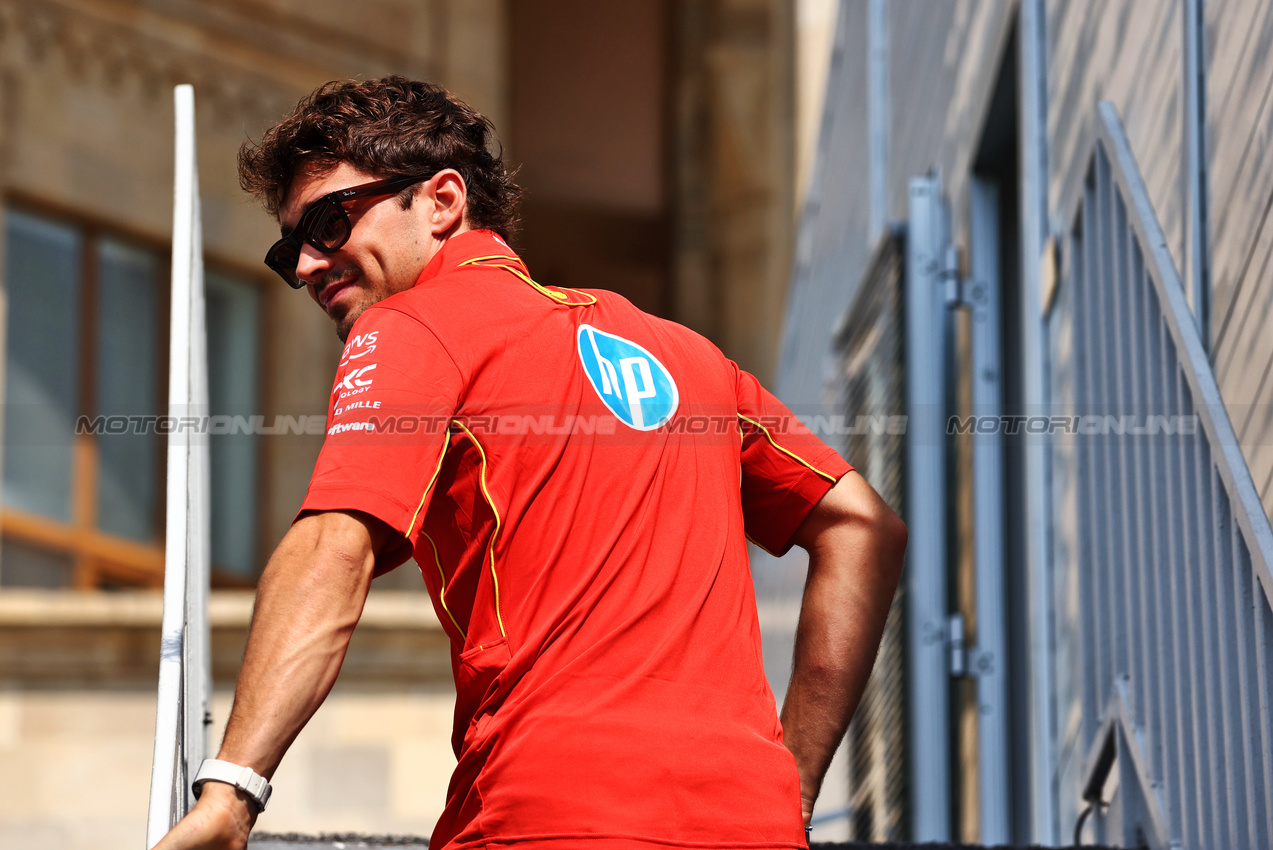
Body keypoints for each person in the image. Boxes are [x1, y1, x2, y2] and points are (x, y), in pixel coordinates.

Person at [155, 76, 906, 850]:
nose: (309, 263)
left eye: (329, 220)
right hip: (749, 824)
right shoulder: (689, 356)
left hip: (550, 814)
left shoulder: (410, 325)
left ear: (442, 202)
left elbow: (333, 545)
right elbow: (862, 527)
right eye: (290, 248)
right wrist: (791, 785)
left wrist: (231, 793)